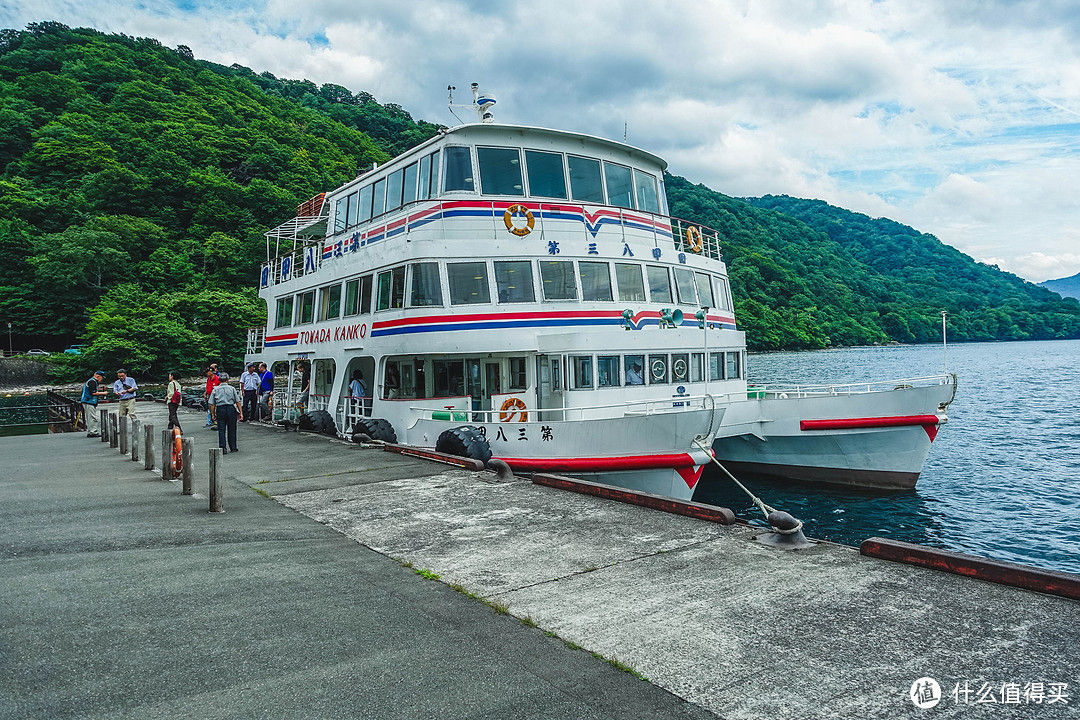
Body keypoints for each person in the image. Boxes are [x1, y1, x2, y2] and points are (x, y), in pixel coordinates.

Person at [209, 372, 242, 454]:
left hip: (220, 408)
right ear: (228, 379)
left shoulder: (215, 389)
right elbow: (237, 401)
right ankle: (233, 447)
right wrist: (241, 412)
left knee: (221, 429)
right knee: (232, 428)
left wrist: (212, 414)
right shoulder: (232, 388)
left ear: (219, 380)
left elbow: (212, 404)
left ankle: (223, 447)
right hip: (231, 408)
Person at [80, 370, 107, 437]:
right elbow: (93, 392)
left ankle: (90, 431)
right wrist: (103, 393)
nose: (102, 379)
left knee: (89, 417)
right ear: (98, 376)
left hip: (87, 401)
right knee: (92, 417)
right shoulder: (93, 381)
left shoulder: (91, 381)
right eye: (102, 377)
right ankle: (93, 432)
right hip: (89, 401)